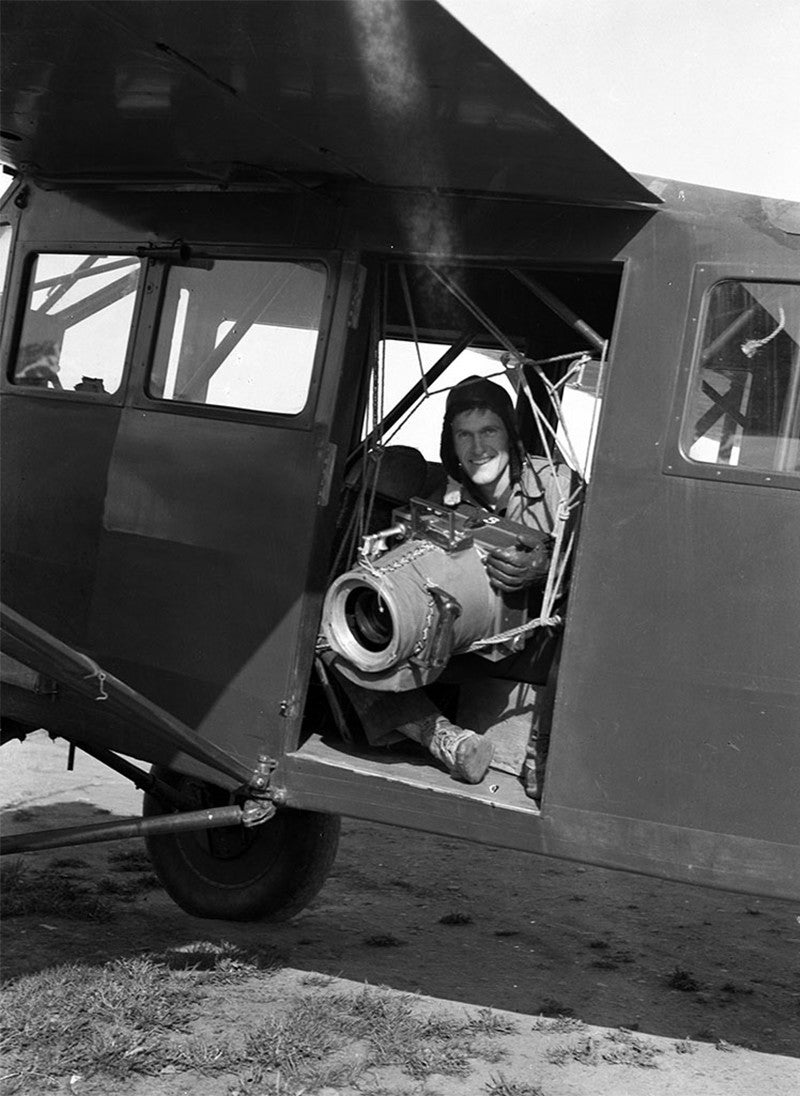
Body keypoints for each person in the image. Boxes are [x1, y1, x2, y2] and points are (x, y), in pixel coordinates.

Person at [333, 376, 571, 794]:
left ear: (511, 435)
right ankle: (441, 737)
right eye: (464, 434)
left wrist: (549, 565)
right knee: (335, 640)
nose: (478, 448)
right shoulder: (441, 497)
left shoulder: (559, 488)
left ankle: (545, 750)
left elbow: (610, 574)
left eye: (489, 431)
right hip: (457, 640)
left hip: (535, 648)